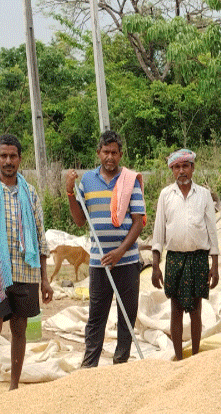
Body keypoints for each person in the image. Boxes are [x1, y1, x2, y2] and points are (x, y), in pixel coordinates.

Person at [0, 134, 53, 407]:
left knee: (20, 328)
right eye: (3, 156)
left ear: (19, 159)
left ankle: (14, 387)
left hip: (26, 272)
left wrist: (45, 279)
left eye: (13, 156)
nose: (8, 161)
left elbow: (40, 238)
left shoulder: (30, 193)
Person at [65, 130, 146, 367]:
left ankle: (121, 363)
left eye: (114, 152)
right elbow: (80, 221)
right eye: (105, 152)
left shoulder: (129, 181)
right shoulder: (88, 180)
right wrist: (70, 192)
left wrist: (120, 251)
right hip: (99, 262)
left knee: (127, 315)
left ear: (121, 154)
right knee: (96, 316)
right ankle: (90, 365)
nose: (110, 156)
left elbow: (138, 220)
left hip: (127, 261)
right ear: (98, 153)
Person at [150, 148, 219, 360]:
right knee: (176, 308)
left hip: (198, 258)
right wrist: (155, 265)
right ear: (172, 169)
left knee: (196, 309)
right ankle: (179, 358)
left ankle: (196, 356)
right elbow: (159, 230)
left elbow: (211, 231)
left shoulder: (204, 195)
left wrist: (215, 265)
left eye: (185, 166)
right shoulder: (165, 195)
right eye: (177, 167)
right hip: (175, 258)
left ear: (192, 168)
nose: (182, 171)